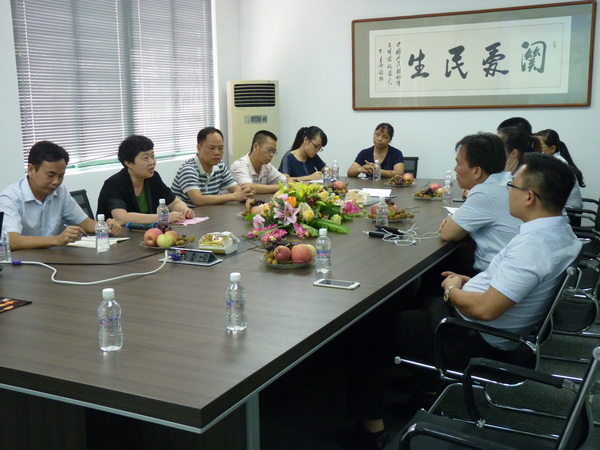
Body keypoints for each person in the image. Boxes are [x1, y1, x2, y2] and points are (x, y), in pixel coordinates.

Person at [344, 153, 582, 448]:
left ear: (530, 197)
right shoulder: (560, 232)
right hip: (489, 326)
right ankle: (425, 391)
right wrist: (471, 283)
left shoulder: (534, 246)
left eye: (512, 186)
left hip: (474, 339)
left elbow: (485, 309)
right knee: (414, 302)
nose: (508, 190)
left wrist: (452, 289)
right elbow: (514, 285)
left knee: (363, 328)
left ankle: (372, 433)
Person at [0, 141, 120, 250]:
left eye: (61, 176)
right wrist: (57, 240)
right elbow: (11, 240)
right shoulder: (10, 198)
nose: (56, 182)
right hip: (24, 262)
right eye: (50, 175)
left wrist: (104, 227)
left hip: (55, 257)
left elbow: (84, 222)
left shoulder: (60, 191)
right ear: (31, 169)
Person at [438, 133, 521, 273]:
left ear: (476, 171)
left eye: (458, 163)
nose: (455, 169)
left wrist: (451, 219)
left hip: (495, 276)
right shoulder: (507, 182)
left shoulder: (485, 193)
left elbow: (448, 233)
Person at [97, 135, 194, 225]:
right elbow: (121, 218)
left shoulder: (153, 178)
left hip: (147, 232)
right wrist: (162, 217)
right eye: (145, 158)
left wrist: (184, 210)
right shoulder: (114, 184)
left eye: (152, 156)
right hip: (118, 236)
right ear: (128, 163)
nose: (152, 162)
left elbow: (174, 203)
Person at [171, 127, 254, 206]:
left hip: (211, 212)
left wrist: (245, 192)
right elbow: (198, 200)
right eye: (211, 148)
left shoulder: (220, 166)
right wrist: (234, 196)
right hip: (187, 215)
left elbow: (236, 189)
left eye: (220, 148)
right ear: (199, 148)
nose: (217, 152)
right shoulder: (188, 169)